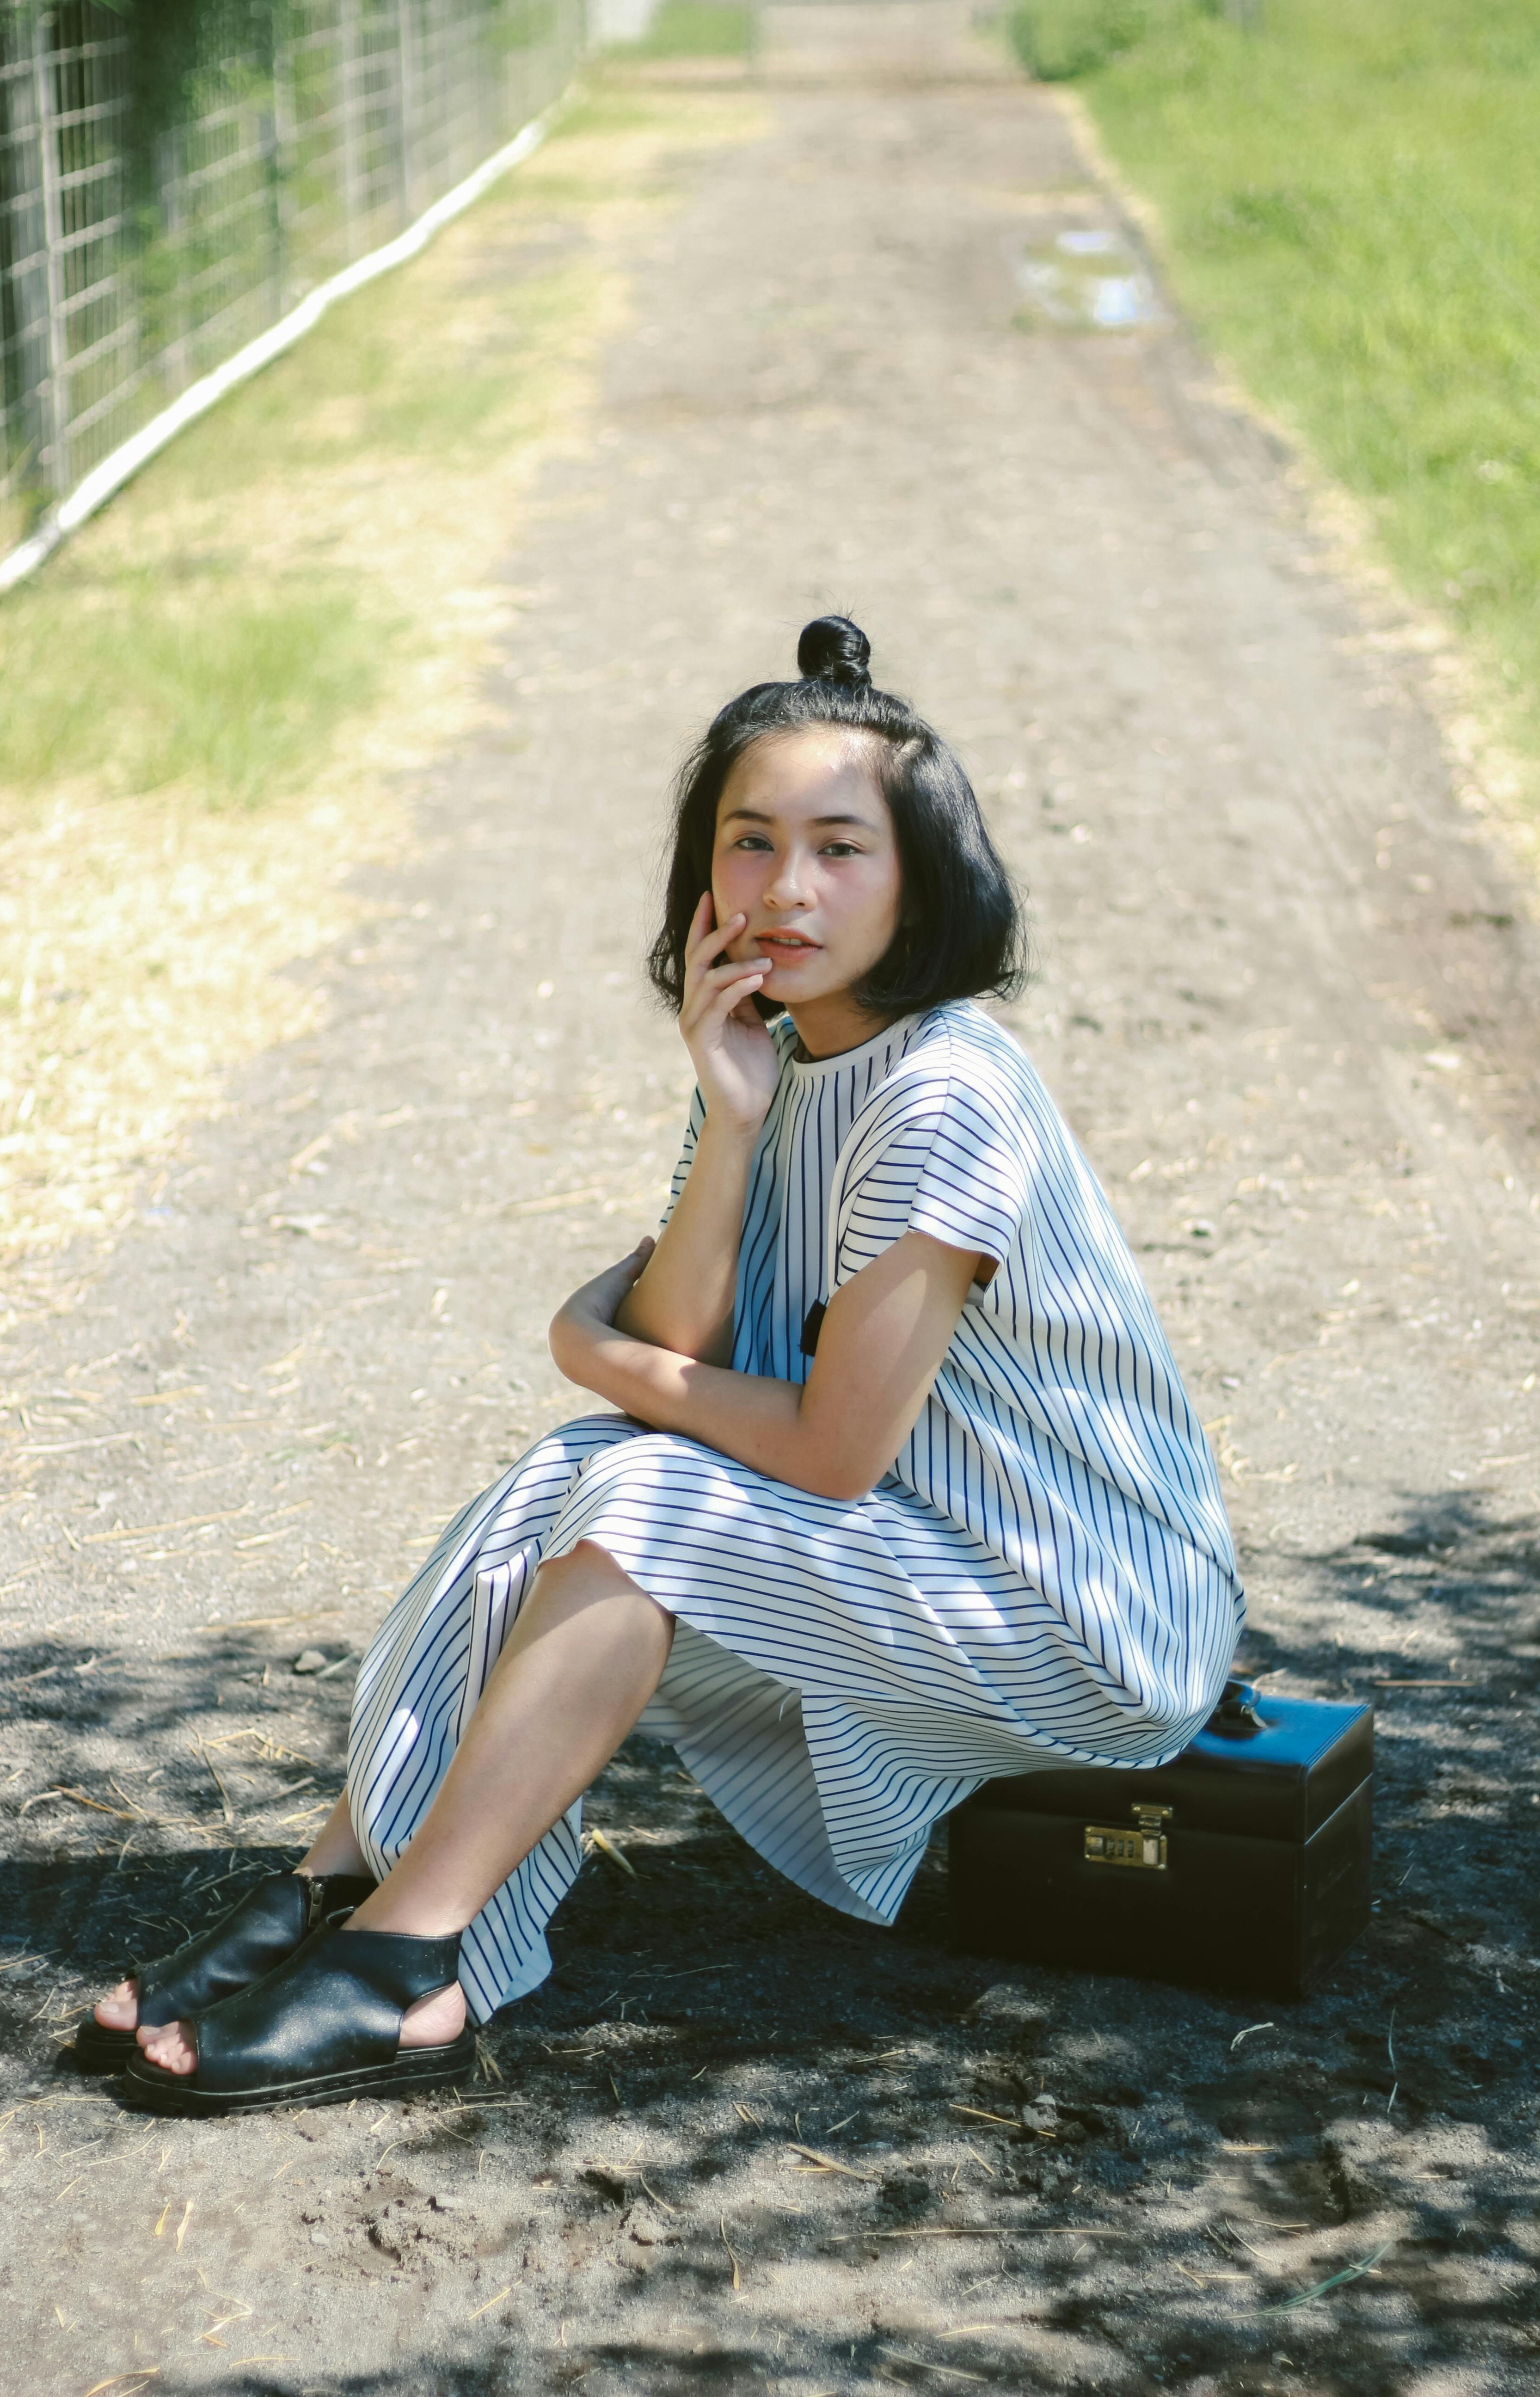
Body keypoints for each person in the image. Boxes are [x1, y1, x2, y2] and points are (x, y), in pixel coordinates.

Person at [83, 615, 1242, 2114]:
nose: (788, 890)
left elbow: (821, 1452)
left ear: (923, 875)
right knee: (577, 1471)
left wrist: (587, 1347)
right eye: (750, 844)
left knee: (641, 1499)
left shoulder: (946, 1094)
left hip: (1078, 1604)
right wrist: (734, 1118)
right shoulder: (778, 1058)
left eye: (842, 848)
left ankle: (410, 1957)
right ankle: (341, 1889)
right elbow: (688, 1347)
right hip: (925, 1558)